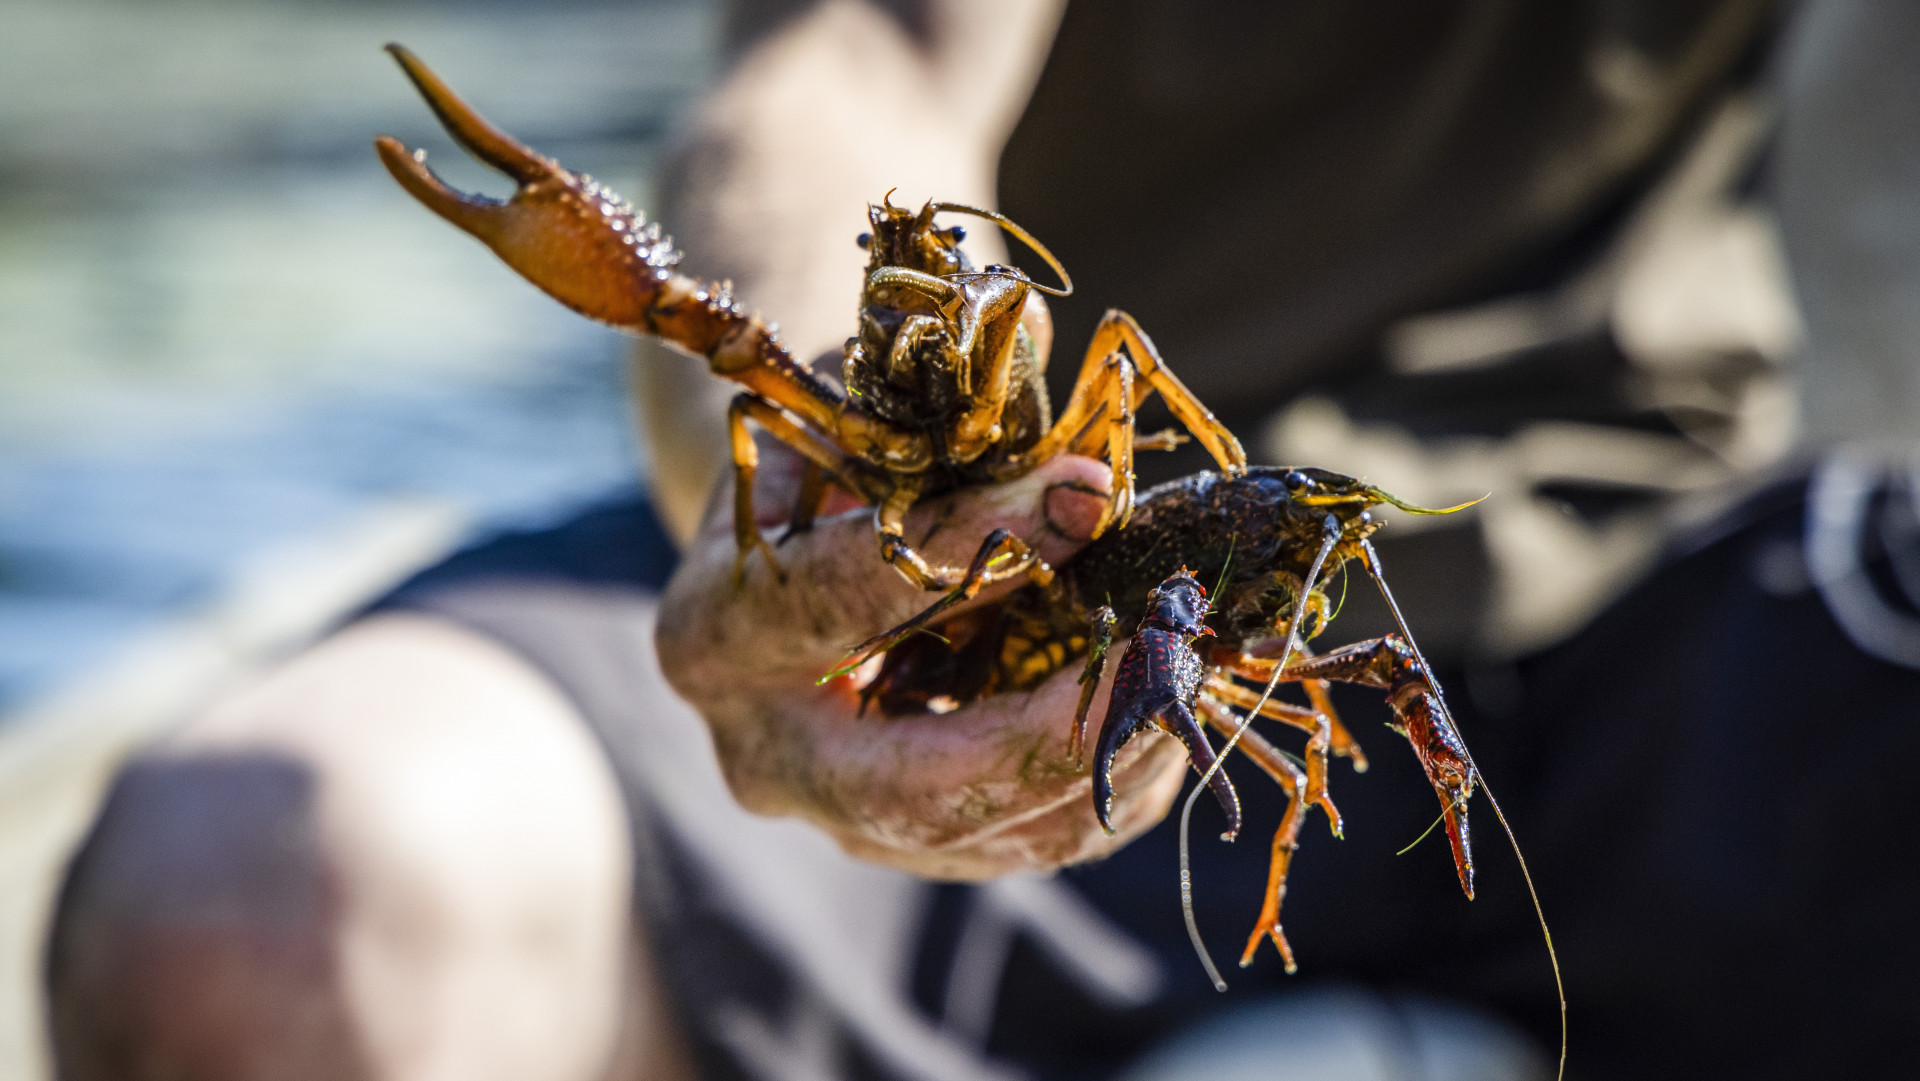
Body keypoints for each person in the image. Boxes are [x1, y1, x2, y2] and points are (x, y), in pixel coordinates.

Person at [45, 2, 1920, 1079]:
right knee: (244, 903)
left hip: (1655, 581)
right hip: (988, 598)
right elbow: (855, 51)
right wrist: (764, 509)